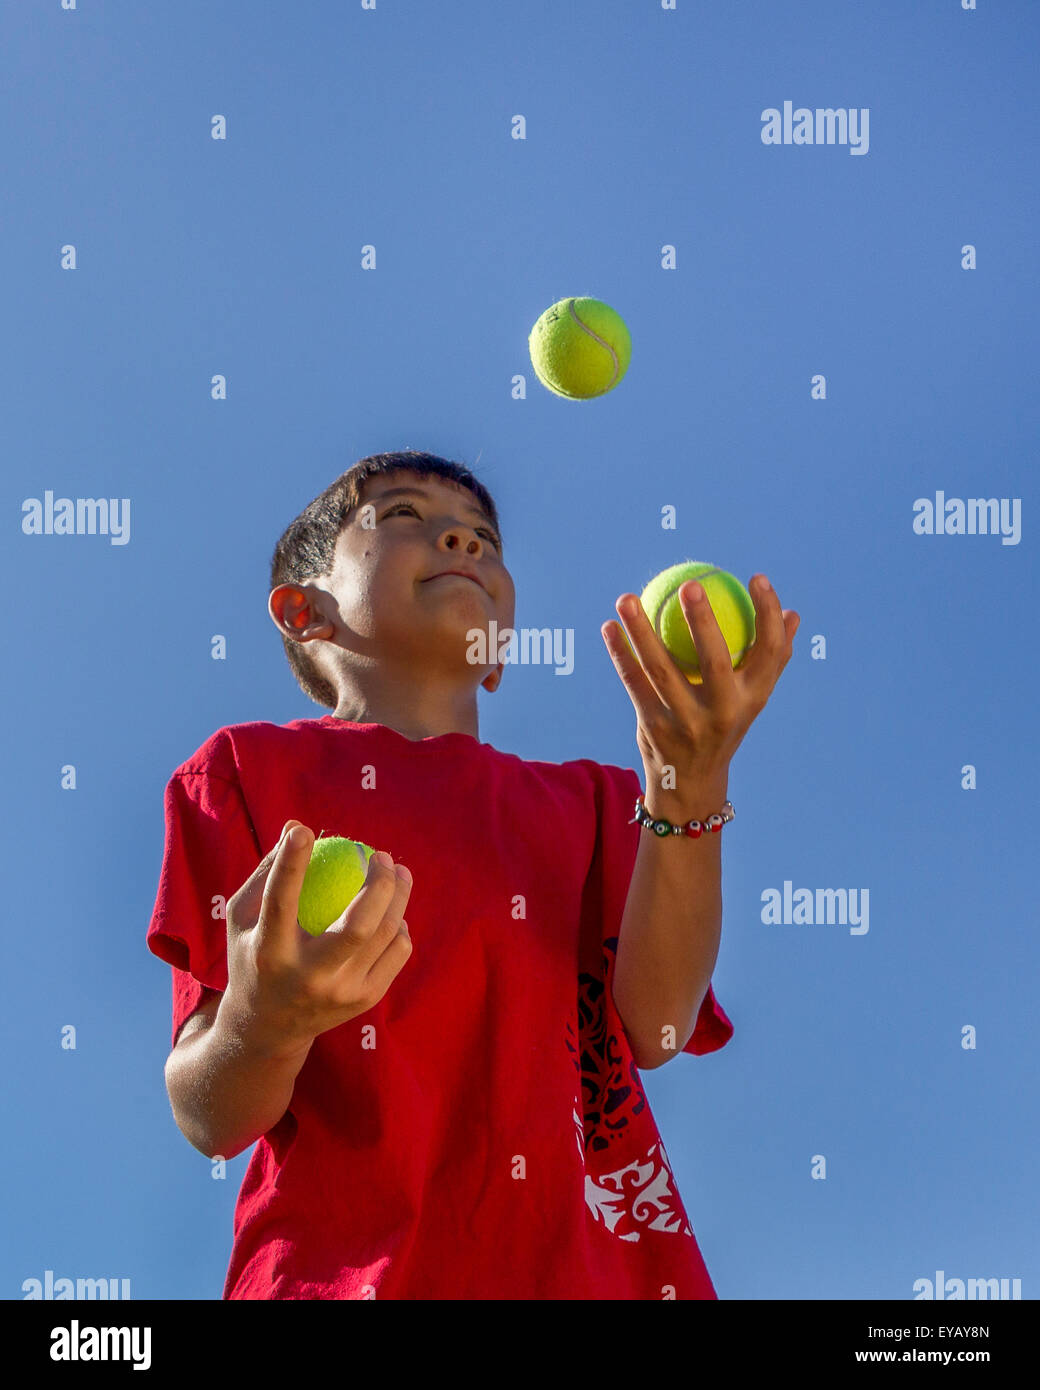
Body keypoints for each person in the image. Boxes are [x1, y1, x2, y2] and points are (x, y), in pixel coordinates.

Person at [147, 448, 799, 1300]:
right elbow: (209, 1114)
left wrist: (691, 778)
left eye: (486, 538)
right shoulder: (242, 772)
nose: (463, 540)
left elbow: (658, 1029)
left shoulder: (603, 802)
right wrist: (265, 1025)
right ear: (303, 611)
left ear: (497, 654)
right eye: (403, 516)